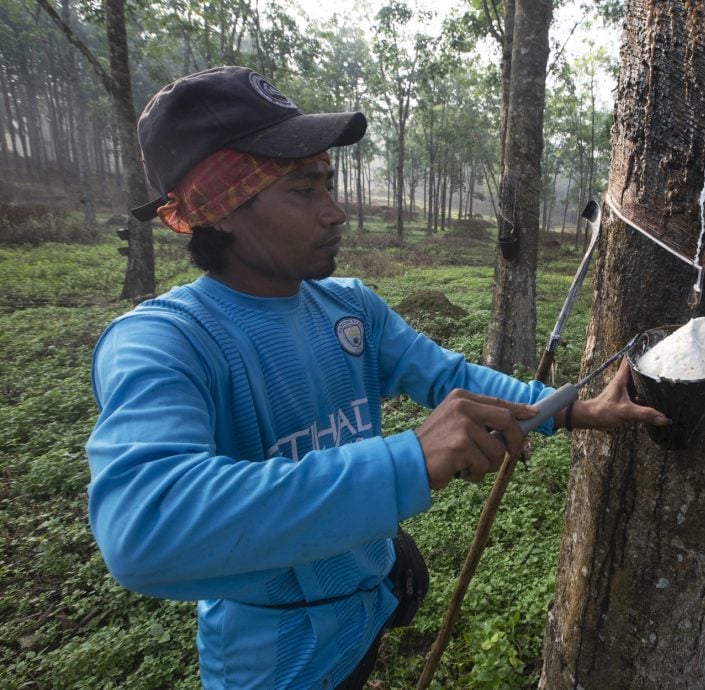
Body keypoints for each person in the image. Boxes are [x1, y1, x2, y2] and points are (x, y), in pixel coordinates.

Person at [85, 66, 668, 689]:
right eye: (304, 191)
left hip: (366, 615)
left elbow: (447, 377)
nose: (335, 212)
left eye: (329, 184)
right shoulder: (166, 341)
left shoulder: (349, 308)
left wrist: (572, 410)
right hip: (276, 664)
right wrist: (405, 462)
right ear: (221, 207)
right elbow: (144, 526)